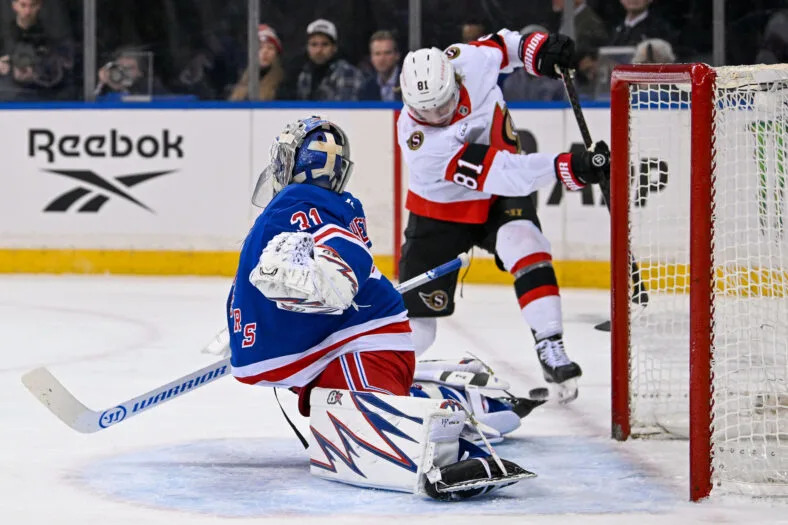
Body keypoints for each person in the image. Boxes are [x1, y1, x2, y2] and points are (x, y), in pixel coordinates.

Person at [226, 116, 532, 500]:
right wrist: (252, 318)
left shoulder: (299, 202)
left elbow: (342, 252)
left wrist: (328, 277)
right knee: (336, 407)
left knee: (363, 420)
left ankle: (450, 442)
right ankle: (447, 391)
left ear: (294, 163)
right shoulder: (319, 205)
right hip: (327, 351)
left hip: (359, 349)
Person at [397, 29, 610, 403]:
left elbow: (504, 45)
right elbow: (506, 171)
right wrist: (568, 167)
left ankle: (550, 345)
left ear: (454, 79)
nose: (434, 115)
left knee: (526, 243)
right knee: (418, 327)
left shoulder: (467, 60)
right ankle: (383, 374)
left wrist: (538, 50)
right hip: (440, 212)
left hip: (497, 198)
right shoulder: (422, 143)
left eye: (441, 105)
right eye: (423, 110)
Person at [283, 18, 365, 101]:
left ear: (334, 48)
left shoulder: (348, 73)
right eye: (314, 44)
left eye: (325, 44)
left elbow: (345, 110)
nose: (319, 50)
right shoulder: (302, 73)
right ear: (307, 47)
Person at [228, 24, 285, 101]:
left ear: (276, 54)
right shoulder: (241, 81)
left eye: (270, 48)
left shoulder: (282, 86)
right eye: (260, 47)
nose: (265, 52)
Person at [359, 30, 401, 102]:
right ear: (371, 58)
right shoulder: (367, 87)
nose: (382, 59)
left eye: (387, 53)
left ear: (397, 55)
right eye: (377, 54)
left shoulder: (410, 84)